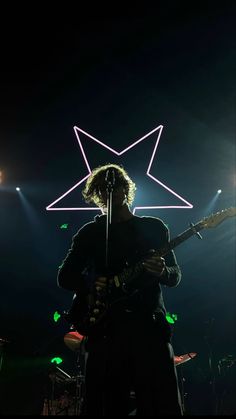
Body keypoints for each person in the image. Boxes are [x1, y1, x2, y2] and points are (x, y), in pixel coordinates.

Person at [57, 163, 183, 416]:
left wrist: (162, 272)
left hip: (149, 329)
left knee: (161, 404)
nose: (107, 195)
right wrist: (91, 283)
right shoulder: (90, 233)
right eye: (101, 191)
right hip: (105, 331)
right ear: (96, 196)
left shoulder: (153, 227)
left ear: (126, 190)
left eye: (112, 189)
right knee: (103, 405)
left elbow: (175, 275)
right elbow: (65, 277)